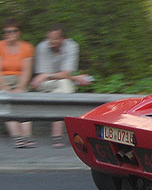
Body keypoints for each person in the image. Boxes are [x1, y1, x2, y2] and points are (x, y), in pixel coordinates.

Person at [30, 24, 92, 148]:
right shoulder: (42, 47)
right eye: (50, 39)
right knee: (65, 85)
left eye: (55, 39)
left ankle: (56, 135)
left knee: (63, 85)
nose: (52, 42)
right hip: (44, 85)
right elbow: (42, 77)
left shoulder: (71, 46)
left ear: (63, 39)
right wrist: (76, 78)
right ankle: (57, 135)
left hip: (56, 82)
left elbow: (65, 73)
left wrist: (49, 75)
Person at [0, 19, 36, 148]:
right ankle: (17, 137)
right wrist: (6, 88)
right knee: (7, 103)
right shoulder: (0, 46)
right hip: (3, 79)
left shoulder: (27, 47)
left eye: (14, 31)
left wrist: (20, 88)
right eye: (7, 31)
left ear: (19, 32)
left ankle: (27, 136)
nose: (11, 33)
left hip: (20, 79)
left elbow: (27, 70)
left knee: (24, 102)